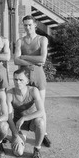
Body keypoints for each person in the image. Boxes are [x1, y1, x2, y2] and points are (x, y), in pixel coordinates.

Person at [14, 15, 51, 147]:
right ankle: (21, 131)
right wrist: (31, 59)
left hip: (38, 76)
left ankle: (44, 133)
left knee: (41, 106)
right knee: (23, 105)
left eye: (30, 25)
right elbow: (15, 60)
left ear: (35, 25)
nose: (28, 27)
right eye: (25, 25)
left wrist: (24, 56)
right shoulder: (20, 41)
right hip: (24, 76)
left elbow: (42, 59)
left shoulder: (42, 39)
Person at [7, 68, 46, 158]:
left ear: (27, 81)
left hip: (32, 121)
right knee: (18, 153)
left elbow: (41, 111)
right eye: (15, 79)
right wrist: (15, 134)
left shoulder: (33, 90)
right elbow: (8, 117)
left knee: (40, 122)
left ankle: (37, 149)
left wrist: (24, 118)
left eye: (21, 80)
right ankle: (17, 138)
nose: (18, 82)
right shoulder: (10, 93)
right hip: (19, 125)